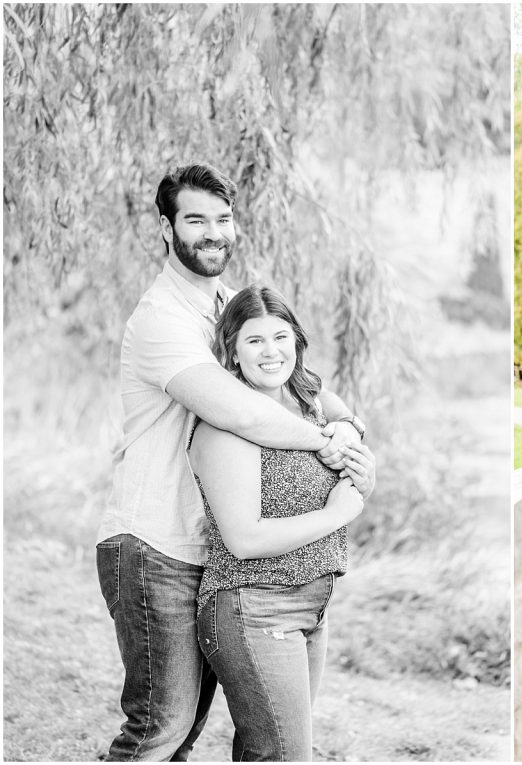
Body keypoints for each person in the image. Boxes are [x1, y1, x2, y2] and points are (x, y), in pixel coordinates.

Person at [96, 164, 375, 761]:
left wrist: (349, 431)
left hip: (213, 549)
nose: (213, 232)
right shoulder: (161, 319)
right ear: (166, 229)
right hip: (155, 544)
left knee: (195, 733)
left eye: (223, 219)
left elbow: (299, 380)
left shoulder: (226, 305)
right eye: (195, 220)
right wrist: (324, 445)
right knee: (161, 728)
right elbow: (242, 413)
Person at [189, 285, 368, 760]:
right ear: (231, 350)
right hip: (255, 607)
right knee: (287, 756)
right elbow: (244, 539)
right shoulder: (227, 426)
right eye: (254, 341)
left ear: (297, 341)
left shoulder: (307, 406)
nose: (272, 351)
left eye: (281, 336)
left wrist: (355, 443)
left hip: (314, 605)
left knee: (266, 750)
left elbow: (344, 416)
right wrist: (335, 516)